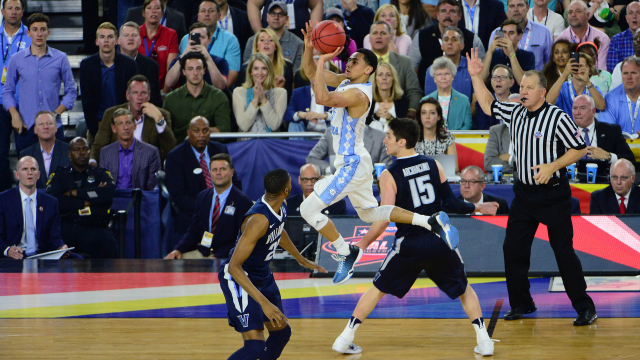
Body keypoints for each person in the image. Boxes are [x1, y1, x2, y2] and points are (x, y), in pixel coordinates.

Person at [300, 22, 460, 285]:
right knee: (372, 214)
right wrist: (310, 50)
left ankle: (345, 252)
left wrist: (322, 61)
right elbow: (310, 73)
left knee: (308, 209)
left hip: (351, 165)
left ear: (369, 69)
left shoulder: (357, 94)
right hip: (357, 162)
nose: (349, 63)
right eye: (349, 59)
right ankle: (429, 221)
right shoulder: (346, 81)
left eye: (356, 60)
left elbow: (322, 96)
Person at [331, 118, 498, 356]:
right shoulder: (434, 164)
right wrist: (478, 208)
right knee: (465, 289)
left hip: (409, 244)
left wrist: (362, 244)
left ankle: (345, 337)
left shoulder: (389, 174)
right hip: (438, 240)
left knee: (377, 289)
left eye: (388, 136)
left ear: (402, 142)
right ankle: (484, 341)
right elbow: (451, 203)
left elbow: (385, 217)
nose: (384, 140)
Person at [468, 47, 598, 325]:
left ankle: (585, 307)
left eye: (529, 87)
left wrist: (552, 166)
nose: (523, 91)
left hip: (553, 195)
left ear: (542, 92)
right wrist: (476, 76)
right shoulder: (515, 112)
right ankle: (522, 304)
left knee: (563, 252)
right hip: (524, 195)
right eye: (522, 86)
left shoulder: (557, 117)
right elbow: (488, 103)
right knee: (513, 249)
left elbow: (579, 148)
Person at [218, 168, 327, 360]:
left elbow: (278, 231)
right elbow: (234, 266)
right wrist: (264, 303)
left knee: (281, 334)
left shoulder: (280, 206)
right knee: (255, 347)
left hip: (262, 275)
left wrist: (300, 258)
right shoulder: (258, 220)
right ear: (286, 190)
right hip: (239, 278)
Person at [3, 13, 77, 154]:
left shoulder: (61, 58)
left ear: (48, 33)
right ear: (28, 32)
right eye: (35, 29)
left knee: (57, 173)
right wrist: (14, 115)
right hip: (27, 126)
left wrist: (56, 113)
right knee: (27, 173)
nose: (39, 34)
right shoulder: (16, 59)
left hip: (53, 126)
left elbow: (71, 91)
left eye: (43, 29)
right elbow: (7, 91)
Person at [164, 116, 242, 239]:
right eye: (196, 131)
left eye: (205, 131)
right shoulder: (176, 157)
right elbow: (179, 197)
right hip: (194, 214)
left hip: (224, 211)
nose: (201, 135)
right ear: (189, 133)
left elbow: (235, 182)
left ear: (209, 133)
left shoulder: (220, 150)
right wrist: (210, 206)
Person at [165, 153, 253, 259]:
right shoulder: (203, 197)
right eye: (214, 170)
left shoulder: (243, 202)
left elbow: (244, 240)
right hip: (203, 251)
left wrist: (219, 256)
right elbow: (194, 231)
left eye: (223, 169)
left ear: (232, 172)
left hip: (228, 256)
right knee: (172, 262)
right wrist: (178, 249)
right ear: (210, 173)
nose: (218, 173)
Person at [45, 138, 119, 259]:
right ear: (69, 154)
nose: (82, 153)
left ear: (90, 152)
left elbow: (106, 195)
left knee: (109, 242)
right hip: (67, 227)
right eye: (77, 150)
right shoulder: (60, 174)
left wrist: (73, 193)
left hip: (94, 227)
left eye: (85, 149)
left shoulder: (100, 173)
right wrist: (87, 201)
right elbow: (55, 201)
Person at [91, 75, 175, 165]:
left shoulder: (161, 115)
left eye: (143, 93)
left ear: (149, 96)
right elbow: (99, 146)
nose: (139, 97)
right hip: (118, 167)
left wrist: (159, 120)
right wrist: (92, 163)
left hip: (147, 169)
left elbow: (171, 150)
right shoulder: (111, 114)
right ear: (128, 95)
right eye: (135, 93)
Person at [0, 156, 70, 259]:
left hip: (42, 255)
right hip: (14, 256)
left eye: (33, 169)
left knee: (78, 260)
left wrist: (61, 246)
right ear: (17, 175)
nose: (29, 173)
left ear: (38, 175)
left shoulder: (51, 202)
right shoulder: (3, 200)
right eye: (25, 169)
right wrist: (7, 250)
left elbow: (54, 236)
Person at [410, 0, 486, 90]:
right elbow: (412, 70)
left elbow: (482, 73)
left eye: (452, 11)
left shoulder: (472, 39)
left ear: (460, 16)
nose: (447, 15)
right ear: (437, 15)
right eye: (443, 11)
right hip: (428, 94)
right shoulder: (421, 36)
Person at [80, 22, 138, 139]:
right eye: (102, 37)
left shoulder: (129, 65)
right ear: (97, 41)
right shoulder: (87, 65)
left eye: (110, 37)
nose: (106, 40)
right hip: (97, 124)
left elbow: (133, 98)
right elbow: (87, 102)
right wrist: (95, 131)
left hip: (123, 123)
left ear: (117, 41)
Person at [163, 51, 231, 143]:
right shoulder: (171, 99)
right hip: (179, 151)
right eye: (190, 69)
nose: (195, 73)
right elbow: (165, 132)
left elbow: (224, 130)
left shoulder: (218, 97)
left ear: (204, 70)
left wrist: (198, 132)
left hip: (210, 151)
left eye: (199, 68)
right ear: (184, 71)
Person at [0, 0, 29, 193]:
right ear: (2, 11)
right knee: (1, 154)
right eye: (9, 8)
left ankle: (26, 193)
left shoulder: (31, 34)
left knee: (24, 153)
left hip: (24, 103)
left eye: (17, 8)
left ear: (23, 12)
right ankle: (3, 196)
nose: (13, 12)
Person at [178, 0, 242, 87]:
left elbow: (231, 78)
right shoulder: (186, 40)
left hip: (219, 93)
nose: (207, 14)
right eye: (203, 11)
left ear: (219, 16)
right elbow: (180, 74)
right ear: (198, 16)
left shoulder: (230, 40)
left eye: (211, 11)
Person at [367, 21, 422, 118]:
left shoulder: (405, 62)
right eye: (375, 33)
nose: (379, 36)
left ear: (390, 38)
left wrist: (408, 113)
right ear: (369, 38)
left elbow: (414, 91)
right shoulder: (359, 64)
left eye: (383, 33)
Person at [99, 108, 161, 191]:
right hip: (113, 199)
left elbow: (152, 187)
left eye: (128, 123)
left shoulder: (151, 152)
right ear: (114, 128)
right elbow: (103, 183)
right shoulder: (105, 153)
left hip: (139, 199)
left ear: (135, 126)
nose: (125, 127)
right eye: (120, 124)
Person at [487, 0, 552, 72]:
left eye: (520, 5)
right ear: (507, 9)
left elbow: (550, 64)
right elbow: (490, 63)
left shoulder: (543, 32)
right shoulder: (498, 33)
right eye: (512, 6)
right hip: (504, 80)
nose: (516, 9)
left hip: (535, 80)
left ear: (527, 8)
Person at [572, 94, 636, 166]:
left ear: (593, 111)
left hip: (603, 175)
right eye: (575, 108)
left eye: (582, 108)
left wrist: (608, 156)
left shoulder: (611, 131)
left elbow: (630, 159)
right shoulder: (565, 132)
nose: (577, 112)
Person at [233, 53, 287, 136]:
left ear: (269, 71)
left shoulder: (280, 93)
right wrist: (255, 100)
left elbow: (274, 125)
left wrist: (263, 99)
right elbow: (243, 126)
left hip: (271, 144)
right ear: (250, 71)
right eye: (256, 69)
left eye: (264, 68)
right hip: (247, 144)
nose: (260, 73)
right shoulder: (239, 92)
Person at [166, 22, 229, 91]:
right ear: (188, 40)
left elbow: (221, 86)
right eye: (194, 37)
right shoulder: (179, 61)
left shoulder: (220, 61)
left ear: (209, 40)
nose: (199, 41)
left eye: (202, 37)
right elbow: (169, 83)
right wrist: (183, 56)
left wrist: (208, 59)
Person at [243, 1, 304, 72]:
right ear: (267, 17)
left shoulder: (298, 44)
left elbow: (296, 74)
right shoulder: (252, 41)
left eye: (280, 14)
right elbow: (246, 71)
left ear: (287, 19)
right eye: (272, 14)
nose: (276, 17)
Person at [307, 126, 391, 175]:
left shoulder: (380, 137)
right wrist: (330, 169)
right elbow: (312, 158)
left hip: (368, 188)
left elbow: (387, 167)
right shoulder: (331, 133)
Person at [481, 19, 535, 94]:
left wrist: (511, 53)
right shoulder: (493, 55)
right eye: (504, 33)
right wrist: (490, 51)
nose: (507, 37)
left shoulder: (528, 56)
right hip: (496, 100)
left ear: (519, 36)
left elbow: (522, 82)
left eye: (511, 33)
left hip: (518, 99)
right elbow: (481, 80)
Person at [19, 111, 70, 189]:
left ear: (56, 128)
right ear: (35, 130)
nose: (45, 127)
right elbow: (22, 186)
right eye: (41, 124)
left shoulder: (68, 151)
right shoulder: (26, 154)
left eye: (49, 123)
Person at [118, 21, 163, 107]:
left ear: (140, 41)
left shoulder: (152, 66)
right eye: (126, 35)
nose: (130, 38)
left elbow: (154, 99)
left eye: (134, 35)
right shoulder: (112, 64)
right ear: (118, 41)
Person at [424, 26, 474, 102]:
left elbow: (475, 101)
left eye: (454, 40)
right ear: (442, 45)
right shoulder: (432, 70)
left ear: (462, 45)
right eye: (446, 40)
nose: (450, 43)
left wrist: (466, 113)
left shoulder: (472, 67)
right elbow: (431, 102)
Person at [556, 1, 609, 70]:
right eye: (570, 12)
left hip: (595, 79)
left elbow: (602, 71)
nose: (573, 15)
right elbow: (559, 70)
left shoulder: (602, 38)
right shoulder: (561, 39)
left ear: (588, 15)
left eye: (578, 11)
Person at [238, 28, 294, 95]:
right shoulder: (246, 68)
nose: (266, 42)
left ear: (276, 46)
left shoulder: (286, 66)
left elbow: (289, 98)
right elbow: (240, 95)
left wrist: (279, 90)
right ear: (257, 46)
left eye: (270, 40)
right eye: (262, 40)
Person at [138, 0, 180, 89]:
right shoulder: (135, 33)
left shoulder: (171, 34)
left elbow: (171, 68)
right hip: (139, 87)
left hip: (162, 87)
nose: (153, 11)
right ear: (143, 13)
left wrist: (165, 92)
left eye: (157, 8)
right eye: (149, 8)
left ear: (162, 14)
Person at [424, 57, 473, 130]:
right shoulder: (425, 101)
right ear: (434, 78)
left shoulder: (464, 100)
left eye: (446, 74)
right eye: (439, 74)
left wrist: (453, 137)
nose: (443, 77)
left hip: (457, 139)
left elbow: (468, 125)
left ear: (452, 76)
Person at [414, 98, 458, 171]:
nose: (427, 117)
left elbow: (455, 168)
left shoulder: (447, 137)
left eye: (432, 113)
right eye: (424, 113)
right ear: (420, 117)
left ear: (439, 116)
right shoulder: (412, 138)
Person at [600, 56, 640, 135]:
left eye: (633, 73)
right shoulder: (611, 98)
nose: (629, 77)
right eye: (625, 73)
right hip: (618, 146)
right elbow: (605, 130)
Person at [247, 0, 324, 39]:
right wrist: (259, 33)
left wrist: (313, 35)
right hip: (270, 39)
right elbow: (253, 3)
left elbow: (317, 4)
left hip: (300, 38)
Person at [367, 62, 409, 131]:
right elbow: (362, 126)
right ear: (375, 79)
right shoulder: (367, 100)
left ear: (393, 79)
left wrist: (391, 118)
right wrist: (375, 116)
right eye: (380, 75)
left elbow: (404, 128)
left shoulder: (403, 101)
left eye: (388, 75)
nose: (384, 78)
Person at [475, 65, 514, 129]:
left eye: (503, 77)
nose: (498, 80)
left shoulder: (519, 102)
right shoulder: (482, 103)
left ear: (511, 82)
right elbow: (482, 129)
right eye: (495, 77)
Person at [607, 2, 640, 73]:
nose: (634, 16)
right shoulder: (616, 41)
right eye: (631, 13)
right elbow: (613, 71)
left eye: (638, 13)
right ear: (626, 18)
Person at [323, 7, 358, 73]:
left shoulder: (350, 43)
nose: (334, 24)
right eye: (331, 20)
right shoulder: (319, 43)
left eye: (338, 21)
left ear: (343, 24)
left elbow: (352, 70)